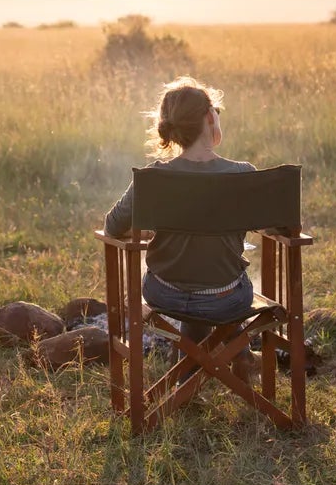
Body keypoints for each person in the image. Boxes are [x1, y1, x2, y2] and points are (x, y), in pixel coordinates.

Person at [103, 77, 256, 337]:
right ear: (210, 116)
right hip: (226, 298)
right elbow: (281, 226)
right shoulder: (243, 174)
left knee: (192, 292)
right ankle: (228, 362)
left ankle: (192, 369)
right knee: (227, 292)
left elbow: (112, 227)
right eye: (217, 112)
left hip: (165, 294)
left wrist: (153, 233)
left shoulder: (153, 177)